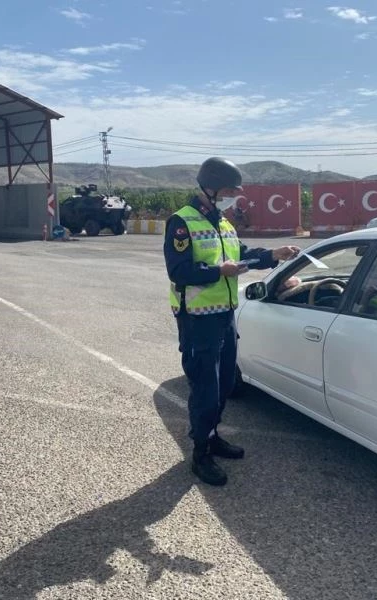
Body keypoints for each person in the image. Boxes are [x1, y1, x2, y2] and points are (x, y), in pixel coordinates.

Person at [163, 157, 301, 486]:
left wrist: (273, 255)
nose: (231, 196)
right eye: (227, 190)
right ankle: (200, 453)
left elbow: (241, 254)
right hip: (197, 320)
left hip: (224, 314)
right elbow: (178, 271)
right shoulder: (181, 223)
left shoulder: (224, 224)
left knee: (225, 383)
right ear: (209, 189)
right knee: (205, 388)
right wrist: (217, 272)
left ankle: (212, 436)